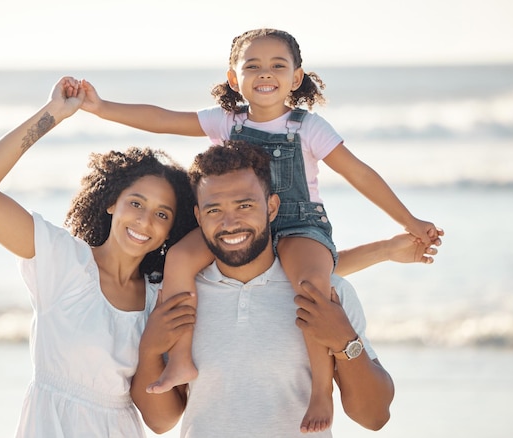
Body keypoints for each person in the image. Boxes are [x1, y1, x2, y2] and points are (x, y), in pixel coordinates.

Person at [79, 28, 442, 432]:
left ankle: (321, 388)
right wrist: (100, 107)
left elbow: (359, 172)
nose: (264, 73)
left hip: (299, 223)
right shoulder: (227, 121)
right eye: (252, 66)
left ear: (296, 76)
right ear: (234, 78)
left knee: (313, 289)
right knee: (180, 258)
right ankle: (181, 358)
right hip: (244, 227)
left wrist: (409, 222)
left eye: (277, 65)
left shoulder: (309, 127)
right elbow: (163, 119)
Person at [0, 77, 197, 437]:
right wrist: (54, 114)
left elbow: (162, 422)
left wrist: (150, 349)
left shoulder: (157, 298)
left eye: (162, 214)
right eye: (136, 203)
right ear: (112, 203)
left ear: (171, 229)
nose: (145, 221)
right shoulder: (63, 261)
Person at [132, 141, 396, 437]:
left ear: (271, 207)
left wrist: (345, 341)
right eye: (214, 209)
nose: (230, 223)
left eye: (245, 205)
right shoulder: (179, 294)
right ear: (198, 216)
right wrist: (150, 351)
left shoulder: (328, 292)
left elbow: (374, 417)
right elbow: (159, 421)